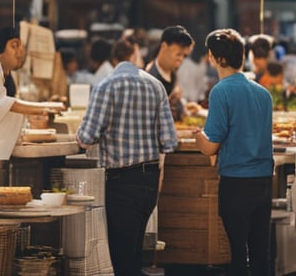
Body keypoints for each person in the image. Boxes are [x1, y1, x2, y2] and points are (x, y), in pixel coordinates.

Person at [77, 35, 180, 276]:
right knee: (133, 254)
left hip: (121, 182)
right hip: (149, 182)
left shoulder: (105, 86)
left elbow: (86, 138)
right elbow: (170, 141)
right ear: (135, 56)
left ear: (114, 60)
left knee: (122, 259)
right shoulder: (156, 86)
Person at [195, 30, 275, 276]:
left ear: (215, 57)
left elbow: (211, 145)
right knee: (260, 254)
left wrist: (198, 138)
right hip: (264, 181)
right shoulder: (263, 93)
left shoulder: (221, 91)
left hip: (236, 182)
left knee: (239, 256)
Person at [0, 27, 65, 159]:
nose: (19, 52)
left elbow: (5, 106)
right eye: (14, 46)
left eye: (21, 47)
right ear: (1, 49)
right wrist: (44, 107)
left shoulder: (4, 73)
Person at [146, 26, 195, 123]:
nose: (181, 59)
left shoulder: (173, 73)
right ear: (164, 46)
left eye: (184, 56)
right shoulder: (150, 75)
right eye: (178, 54)